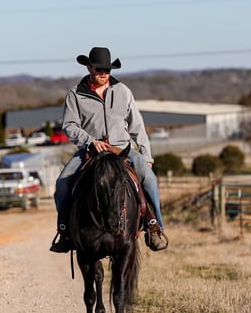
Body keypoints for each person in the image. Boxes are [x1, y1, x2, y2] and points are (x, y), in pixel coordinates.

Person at [50, 46, 168, 253]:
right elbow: (69, 125)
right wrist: (89, 141)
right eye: (98, 69)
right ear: (89, 67)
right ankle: (65, 231)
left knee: (149, 178)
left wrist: (146, 155)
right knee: (62, 184)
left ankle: (154, 226)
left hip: (122, 149)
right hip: (91, 151)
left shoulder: (123, 91)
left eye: (107, 69)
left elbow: (137, 125)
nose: (103, 73)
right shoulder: (75, 95)